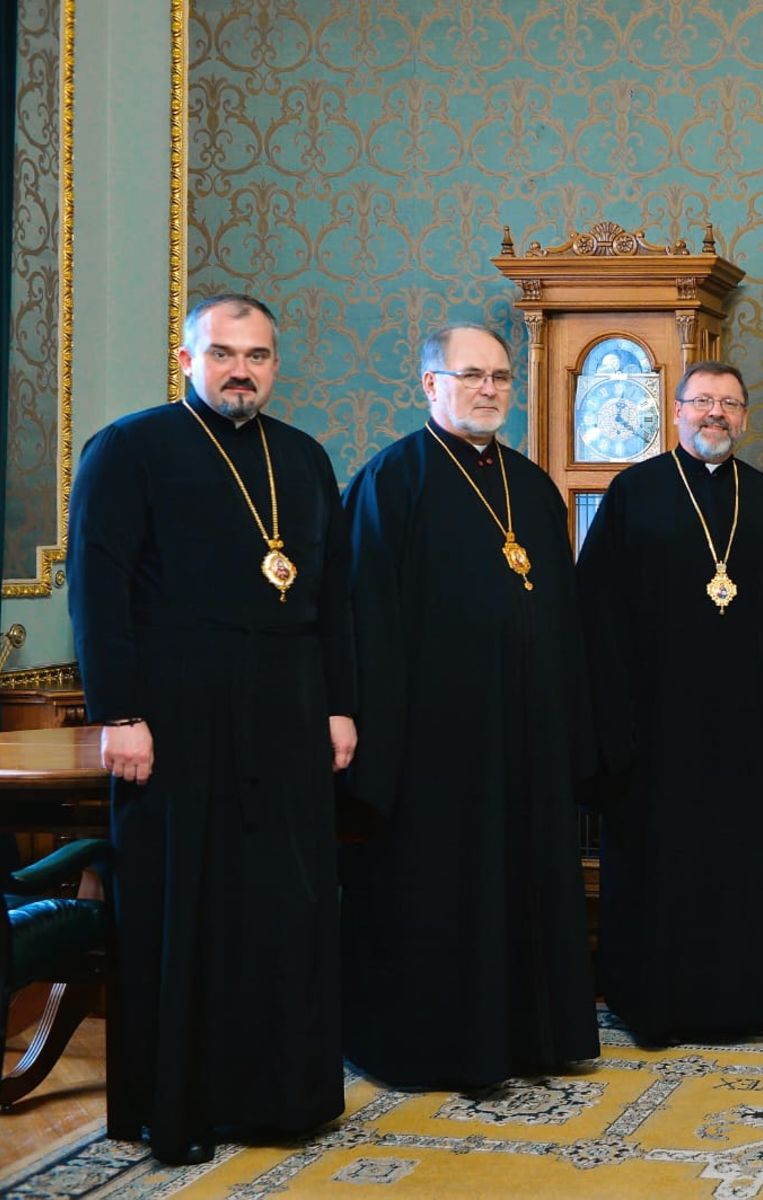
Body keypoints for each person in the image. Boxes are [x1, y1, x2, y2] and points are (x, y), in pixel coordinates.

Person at [67, 294, 357, 1164]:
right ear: (188, 359)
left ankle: (283, 1099)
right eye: (224, 353)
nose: (243, 370)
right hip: (174, 714)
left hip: (289, 713)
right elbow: (99, 591)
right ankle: (181, 1109)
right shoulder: (131, 448)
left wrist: (340, 704)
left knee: (285, 905)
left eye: (259, 355)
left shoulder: (302, 458)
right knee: (182, 908)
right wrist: (119, 714)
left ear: (276, 365)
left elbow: (332, 597)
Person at [339, 324, 597, 1086]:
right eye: (471, 375)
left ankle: (529, 1038)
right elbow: (366, 621)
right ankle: (437, 1047)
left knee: (526, 884)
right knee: (441, 892)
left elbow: (564, 617)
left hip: (528, 738)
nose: (489, 389)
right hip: (433, 744)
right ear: (430, 384)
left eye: (500, 377)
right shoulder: (392, 481)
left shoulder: (533, 485)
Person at [575, 360, 763, 1046]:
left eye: (730, 403)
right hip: (655, 729)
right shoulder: (634, 494)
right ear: (676, 412)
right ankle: (649, 1002)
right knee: (660, 864)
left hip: (748, 730)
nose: (716, 413)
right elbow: (595, 617)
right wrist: (613, 720)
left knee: (739, 869)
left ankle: (741, 1002)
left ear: (744, 417)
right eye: (703, 401)